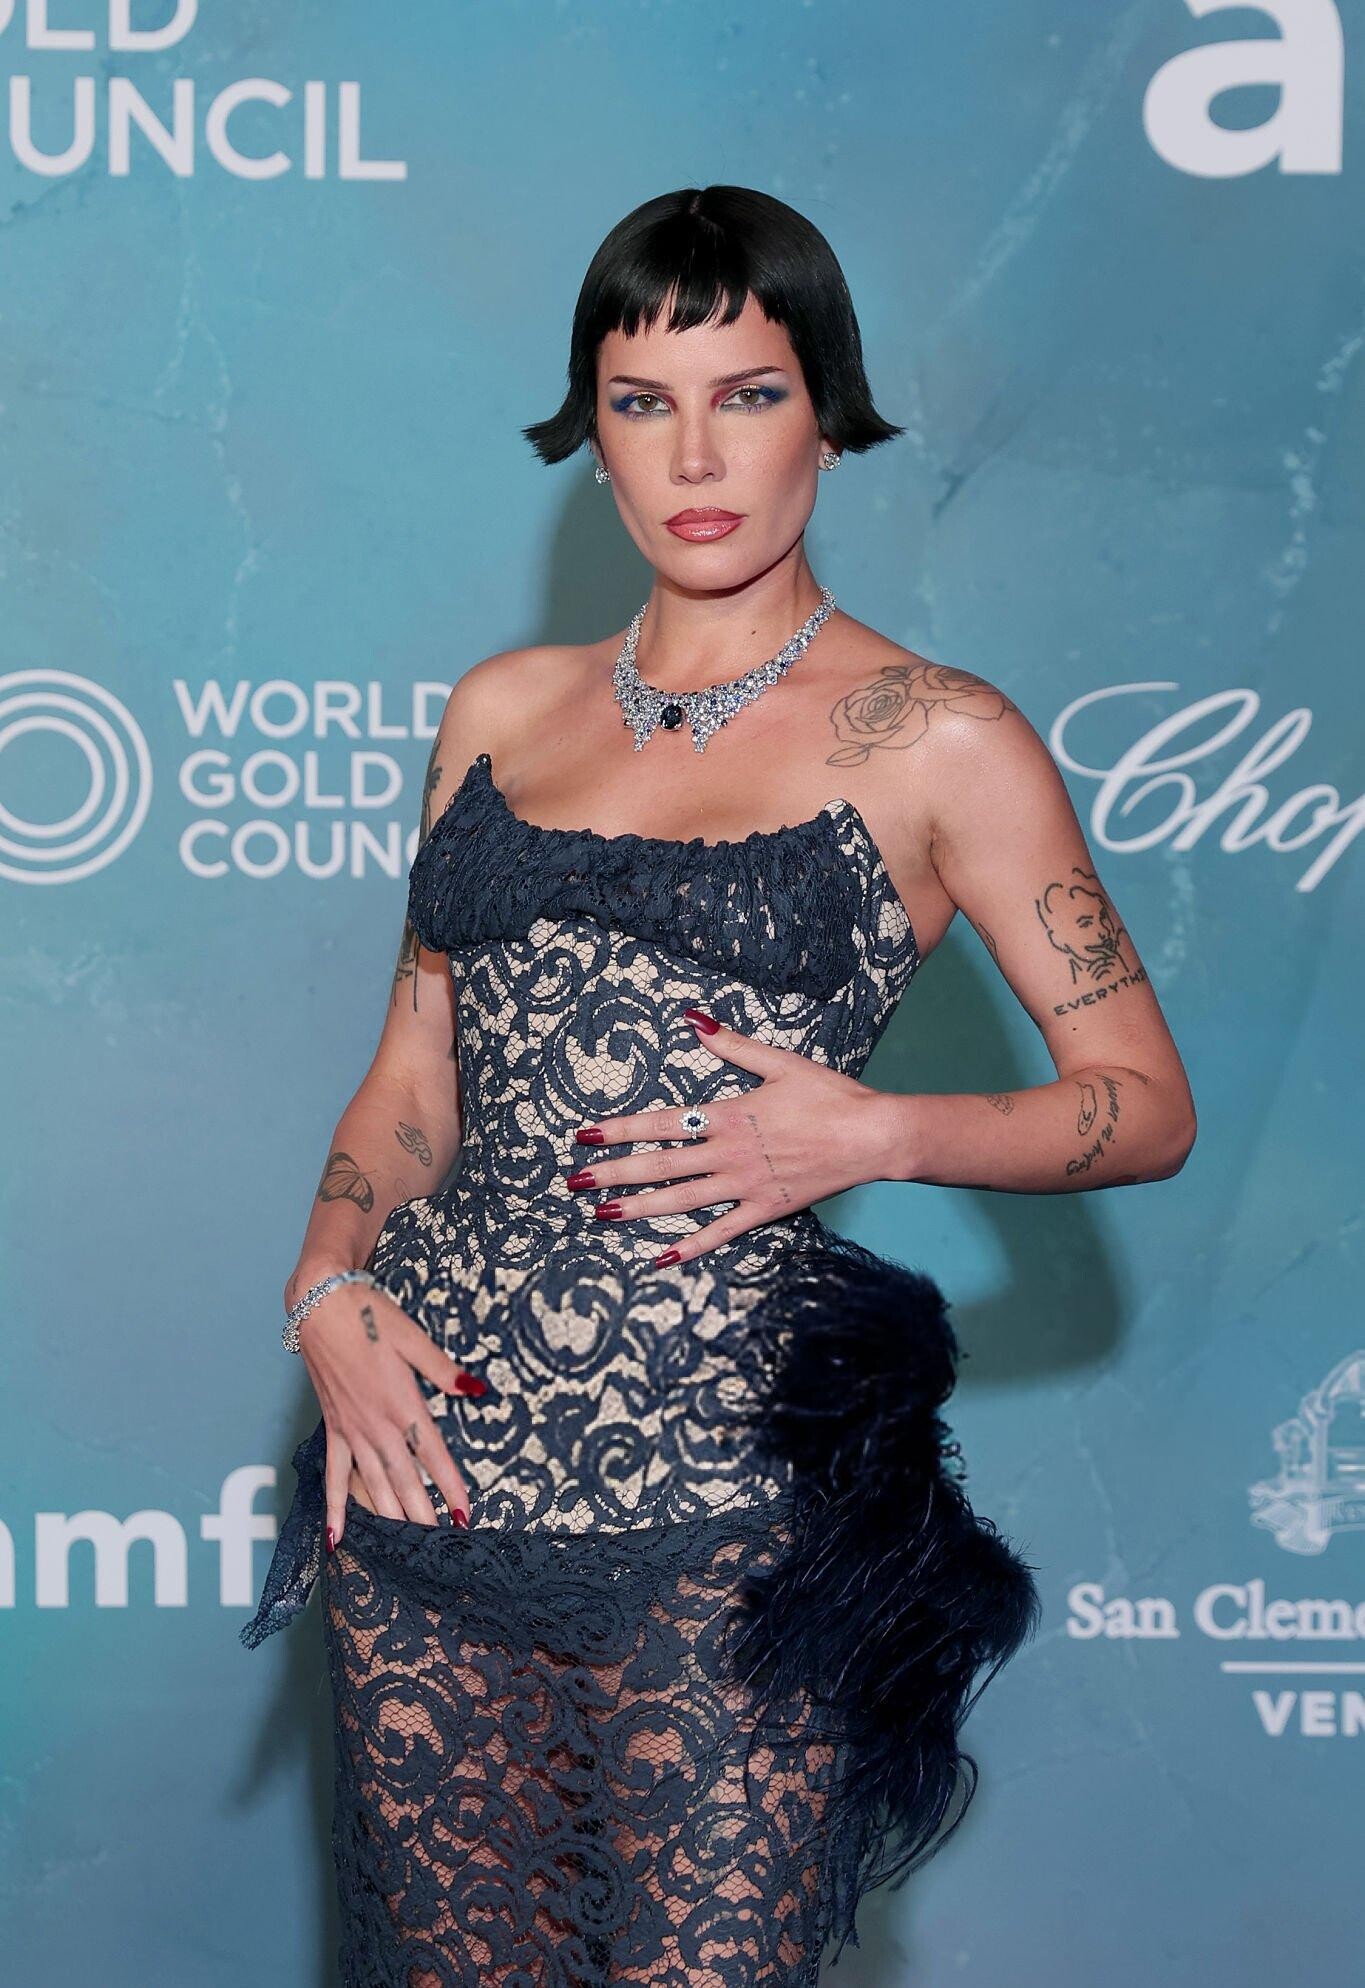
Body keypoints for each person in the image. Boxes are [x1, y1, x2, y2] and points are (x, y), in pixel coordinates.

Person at [243, 184, 1196, 1985]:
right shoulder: (499, 711)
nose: (693, 454)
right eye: (641, 400)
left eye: (747, 395)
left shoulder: (941, 736)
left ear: (825, 417)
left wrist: (879, 1130)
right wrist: (324, 1285)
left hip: (729, 1515)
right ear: (591, 432)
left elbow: (1142, 1101)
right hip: (429, 1486)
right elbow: (413, 1078)